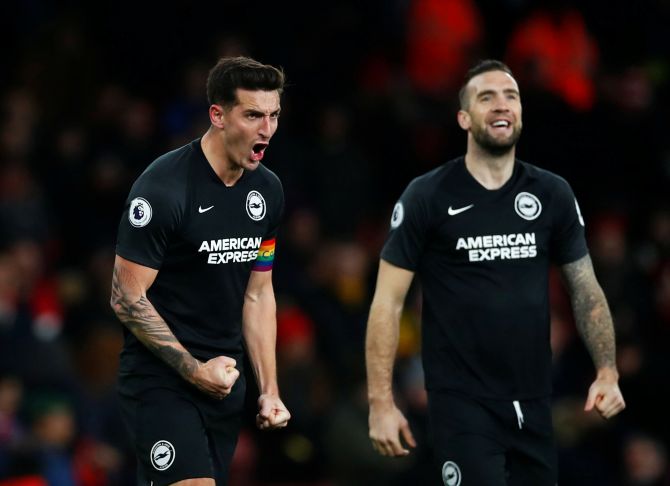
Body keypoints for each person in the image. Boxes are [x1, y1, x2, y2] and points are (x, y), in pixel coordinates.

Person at [365, 59, 626, 485]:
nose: (502, 105)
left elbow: (585, 289)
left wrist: (607, 371)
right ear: (464, 118)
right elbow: (387, 303)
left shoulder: (552, 193)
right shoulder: (427, 196)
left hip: (535, 399)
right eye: (487, 98)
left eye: (511, 97)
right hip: (461, 404)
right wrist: (380, 402)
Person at [110, 56, 290, 486]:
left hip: (226, 384)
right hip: (163, 380)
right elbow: (126, 296)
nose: (266, 129)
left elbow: (258, 293)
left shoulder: (268, 191)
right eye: (252, 115)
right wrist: (193, 370)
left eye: (274, 115)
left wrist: (269, 389)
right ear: (217, 115)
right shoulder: (164, 188)